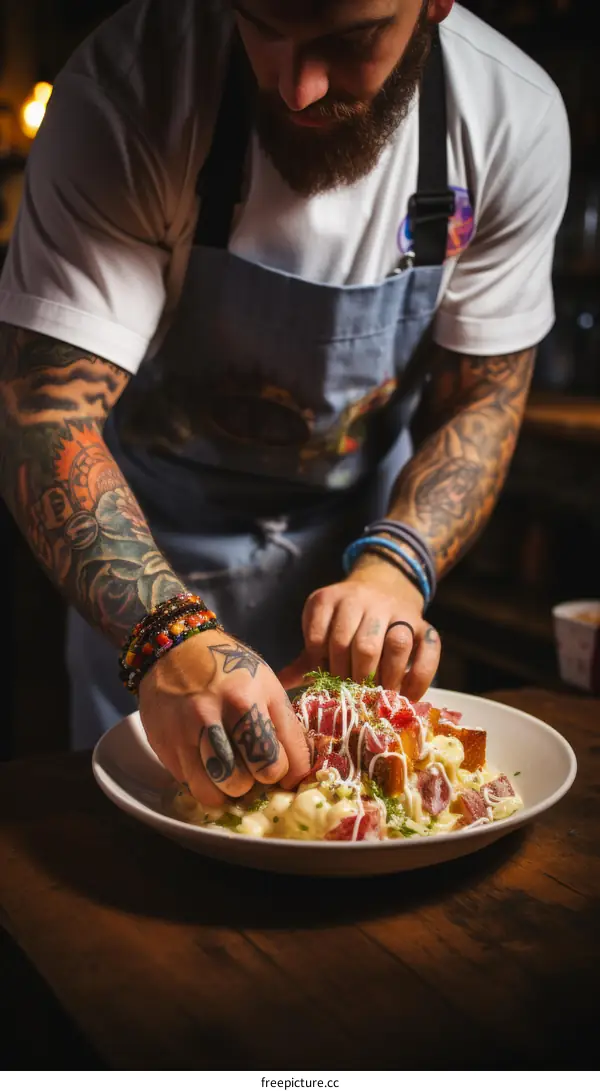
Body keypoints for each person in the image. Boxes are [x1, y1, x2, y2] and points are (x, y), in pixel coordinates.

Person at [0, 0, 569, 806]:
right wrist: (167, 636)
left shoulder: (511, 117)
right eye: (263, 24)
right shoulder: (130, 89)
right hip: (150, 565)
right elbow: (41, 408)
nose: (297, 88)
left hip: (357, 569)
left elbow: (484, 397)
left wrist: (395, 569)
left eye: (349, 38)